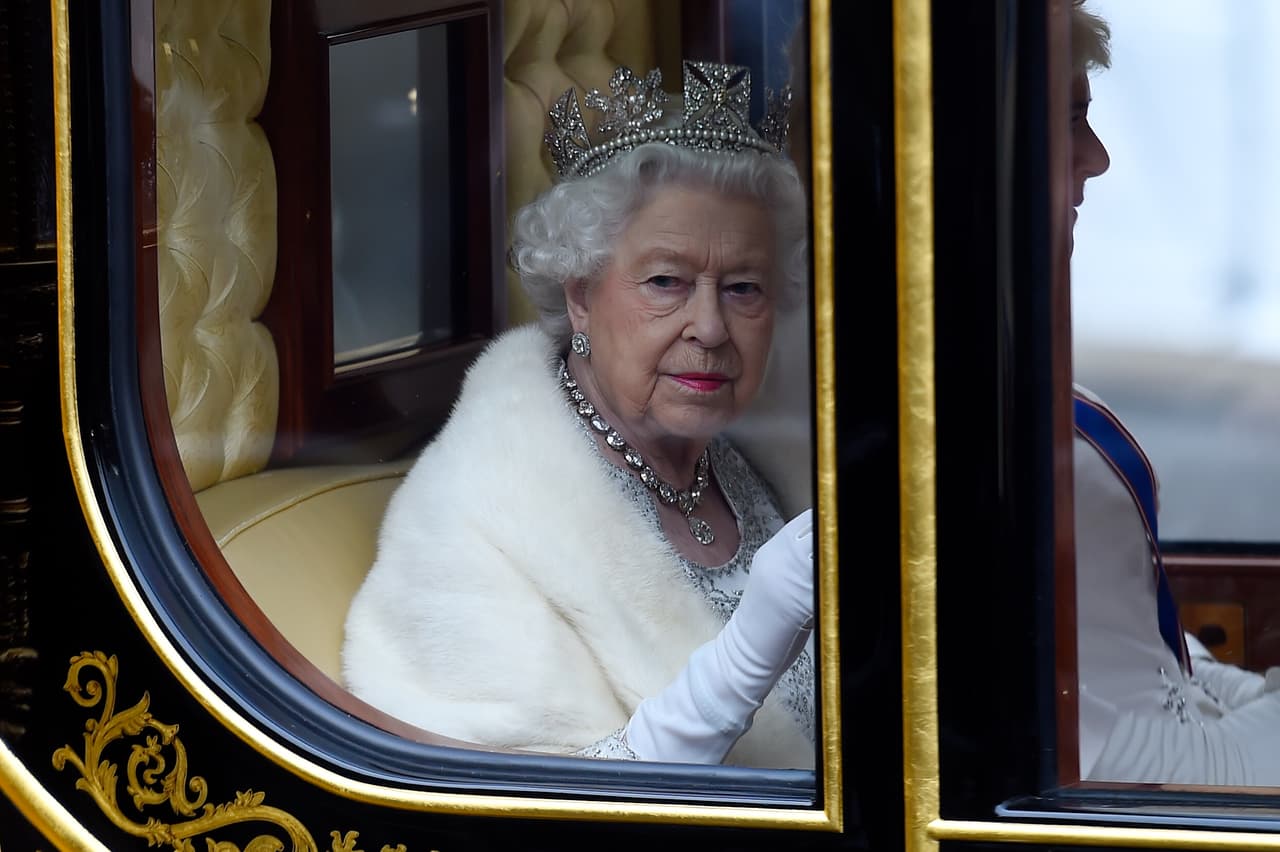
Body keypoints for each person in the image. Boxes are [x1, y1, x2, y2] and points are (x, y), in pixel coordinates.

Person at [342, 61, 815, 768]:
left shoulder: (765, 461)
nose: (711, 328)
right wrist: (750, 650)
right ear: (581, 297)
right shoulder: (471, 521)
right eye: (666, 282)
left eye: (743, 287)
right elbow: (539, 814)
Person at [1070, 1, 1280, 784]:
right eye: (1067, 121)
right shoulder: (950, 400)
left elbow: (1124, 644)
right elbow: (1089, 738)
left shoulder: (1011, 356)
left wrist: (1225, 689)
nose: (1099, 157)